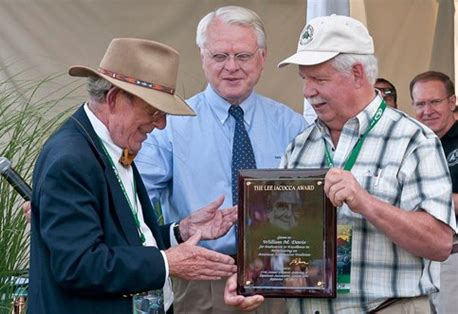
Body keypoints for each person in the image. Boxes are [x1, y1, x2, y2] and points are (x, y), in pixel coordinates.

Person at [224, 15, 456, 313]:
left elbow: (439, 243)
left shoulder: (413, 140)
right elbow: (284, 241)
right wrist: (252, 278)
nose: (307, 92)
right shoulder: (299, 146)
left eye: (319, 79)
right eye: (304, 79)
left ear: (358, 74)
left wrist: (365, 203)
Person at [28, 38, 238, 314]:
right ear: (114, 99)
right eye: (154, 111)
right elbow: (78, 264)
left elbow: (127, 240)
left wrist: (180, 232)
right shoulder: (71, 160)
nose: (161, 124)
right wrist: (167, 263)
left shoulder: (112, 145)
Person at [135, 5, 307, 313]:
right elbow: (133, 201)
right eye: (219, 56)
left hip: (280, 281)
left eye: (243, 56)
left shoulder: (292, 126)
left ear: (263, 58)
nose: (231, 67)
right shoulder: (170, 126)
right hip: (203, 280)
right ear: (202, 58)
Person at [410, 70, 458, 314]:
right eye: (420, 104)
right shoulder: (410, 144)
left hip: (453, 259)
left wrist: (417, 201)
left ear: (452, 102)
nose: (427, 111)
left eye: (434, 102)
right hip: (413, 261)